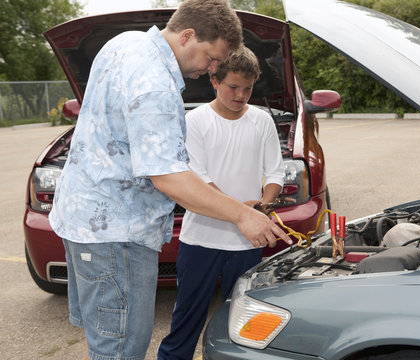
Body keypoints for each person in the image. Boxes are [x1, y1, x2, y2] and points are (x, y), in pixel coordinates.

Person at [48, 1, 291, 359]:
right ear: (188, 35)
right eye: (212, 58)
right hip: (118, 235)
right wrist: (242, 215)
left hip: (82, 223)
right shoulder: (156, 87)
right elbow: (170, 178)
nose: (212, 69)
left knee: (106, 342)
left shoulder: (125, 42)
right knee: (120, 350)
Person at [157, 45, 285, 360]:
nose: (240, 95)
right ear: (215, 81)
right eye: (233, 87)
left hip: (247, 242)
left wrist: (264, 205)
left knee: (242, 323)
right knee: (187, 318)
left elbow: (275, 173)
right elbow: (199, 182)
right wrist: (243, 212)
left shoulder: (262, 121)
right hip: (201, 239)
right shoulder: (195, 121)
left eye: (248, 88)